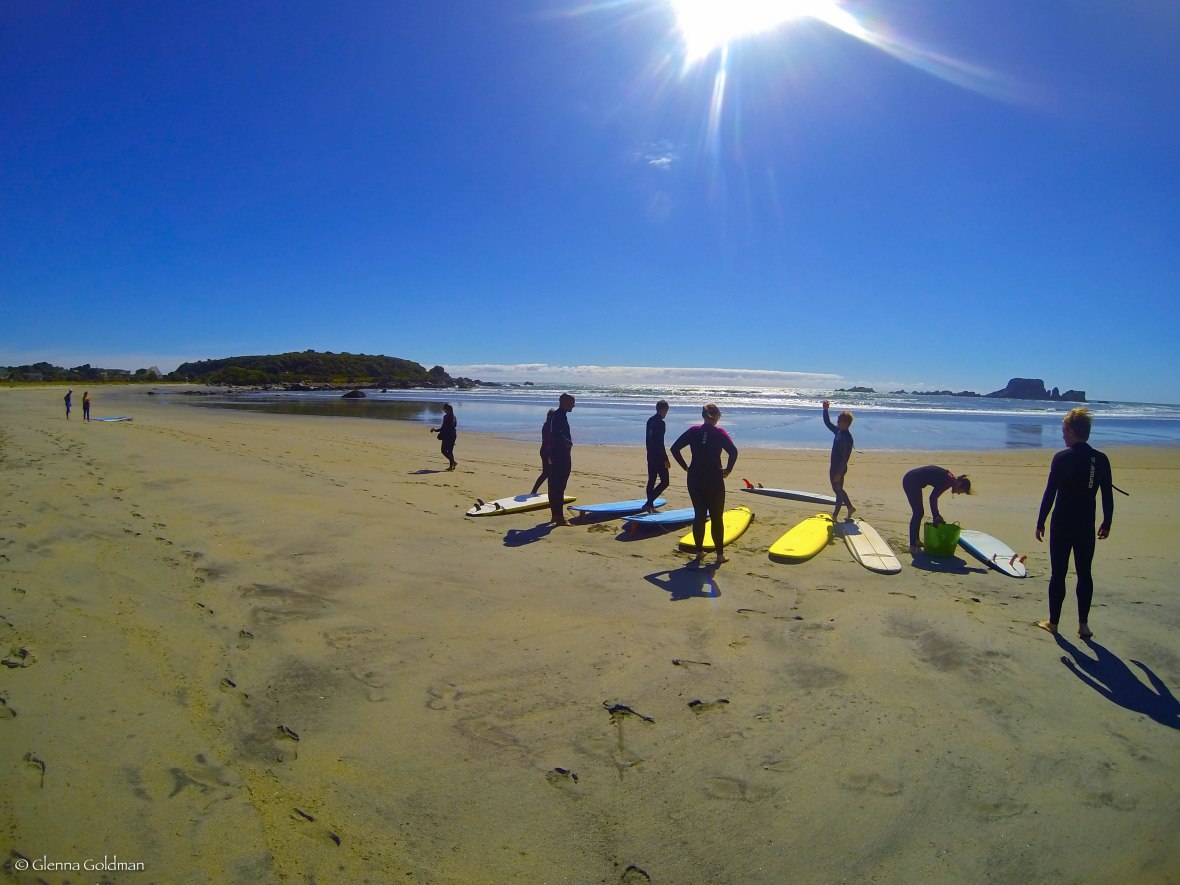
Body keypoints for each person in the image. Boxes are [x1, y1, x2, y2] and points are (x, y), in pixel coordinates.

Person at [1035, 407, 1114, 639]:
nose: (1062, 435)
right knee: (1084, 573)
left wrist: (1040, 521)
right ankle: (1083, 625)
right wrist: (1107, 522)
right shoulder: (1100, 460)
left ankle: (1054, 622)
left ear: (1071, 431)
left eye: (1063, 431)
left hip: (1061, 525)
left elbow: (1050, 493)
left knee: (1058, 574)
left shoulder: (1061, 458)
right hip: (1085, 527)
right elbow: (1107, 495)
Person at [671, 403, 738, 569]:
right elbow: (733, 452)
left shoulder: (694, 431)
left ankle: (699, 552)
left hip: (694, 478)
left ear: (703, 416)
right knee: (716, 518)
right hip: (714, 479)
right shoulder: (719, 432)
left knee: (699, 515)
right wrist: (728, 470)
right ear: (717, 416)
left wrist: (686, 467)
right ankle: (720, 556)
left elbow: (674, 449)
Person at [902, 466, 972, 556]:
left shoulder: (950, 478)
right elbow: (932, 497)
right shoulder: (948, 481)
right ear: (959, 484)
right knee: (918, 512)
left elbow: (933, 497)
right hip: (911, 481)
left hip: (912, 479)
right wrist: (936, 515)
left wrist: (936, 515)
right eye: (960, 491)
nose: (958, 493)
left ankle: (916, 540)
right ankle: (912, 546)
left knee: (919, 512)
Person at [821, 400, 855, 523]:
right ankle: (849, 508)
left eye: (839, 420)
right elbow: (827, 423)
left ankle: (836, 515)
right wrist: (825, 410)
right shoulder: (839, 432)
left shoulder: (847, 438)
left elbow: (845, 458)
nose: (837, 422)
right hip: (834, 466)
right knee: (837, 489)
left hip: (839, 468)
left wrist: (839, 473)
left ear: (846, 423)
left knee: (838, 490)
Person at [547, 394, 576, 526]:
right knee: (558, 487)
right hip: (560, 456)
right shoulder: (558, 416)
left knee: (555, 486)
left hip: (557, 455)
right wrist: (567, 442)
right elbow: (555, 434)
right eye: (572, 403)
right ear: (565, 403)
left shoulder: (558, 416)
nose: (574, 406)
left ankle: (555, 516)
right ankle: (559, 517)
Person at [643, 400, 670, 512]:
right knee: (665, 481)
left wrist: (649, 453)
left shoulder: (650, 420)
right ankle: (649, 503)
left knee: (652, 480)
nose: (666, 413)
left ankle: (650, 505)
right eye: (666, 411)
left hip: (650, 455)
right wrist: (665, 459)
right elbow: (659, 443)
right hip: (658, 456)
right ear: (663, 409)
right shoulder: (661, 423)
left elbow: (648, 440)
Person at [530, 410, 554, 496]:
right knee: (546, 473)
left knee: (549, 473)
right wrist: (550, 456)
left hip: (544, 451)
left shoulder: (547, 425)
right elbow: (548, 442)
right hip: (546, 452)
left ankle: (537, 491)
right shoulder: (548, 427)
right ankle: (534, 491)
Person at [429, 403, 457, 470]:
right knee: (450, 451)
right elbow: (453, 426)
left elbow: (444, 427)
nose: (443, 410)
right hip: (453, 435)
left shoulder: (446, 417)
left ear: (447, 410)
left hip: (447, 436)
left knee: (443, 450)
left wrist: (435, 430)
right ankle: (452, 465)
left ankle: (452, 463)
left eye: (444, 409)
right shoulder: (454, 417)